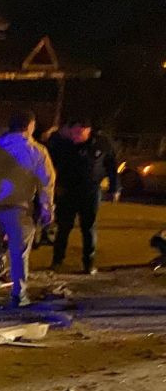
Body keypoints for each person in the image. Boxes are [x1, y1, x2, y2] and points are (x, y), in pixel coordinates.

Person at [0, 110, 55, 308]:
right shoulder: (37, 152)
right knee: (19, 254)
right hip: (21, 210)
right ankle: (18, 295)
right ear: (30, 126)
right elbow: (46, 182)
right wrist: (47, 209)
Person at [45, 117, 120, 274]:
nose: (76, 135)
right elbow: (48, 164)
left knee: (89, 228)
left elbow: (112, 166)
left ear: (88, 130)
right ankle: (57, 261)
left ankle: (89, 262)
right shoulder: (62, 144)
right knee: (64, 227)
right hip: (67, 190)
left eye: (80, 131)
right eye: (73, 131)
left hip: (90, 191)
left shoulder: (101, 144)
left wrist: (115, 188)